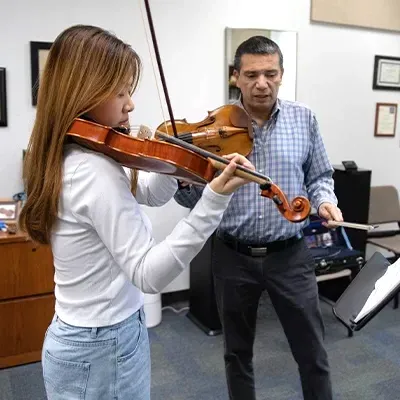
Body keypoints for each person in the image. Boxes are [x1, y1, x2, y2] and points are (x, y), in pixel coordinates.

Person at [18, 24, 255, 400]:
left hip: (87, 336)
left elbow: (144, 193)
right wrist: (213, 201)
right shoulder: (93, 172)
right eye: (121, 91)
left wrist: (177, 168)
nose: (130, 103)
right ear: (85, 93)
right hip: (102, 346)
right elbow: (148, 275)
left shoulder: (69, 155)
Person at [174, 35, 343, 400]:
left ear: (281, 75)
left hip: (290, 255)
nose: (261, 83)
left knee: (312, 351)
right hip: (233, 256)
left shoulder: (304, 119)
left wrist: (326, 202)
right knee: (236, 353)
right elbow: (192, 199)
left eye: (270, 73)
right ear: (236, 76)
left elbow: (319, 177)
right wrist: (176, 171)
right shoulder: (213, 130)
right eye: (251, 75)